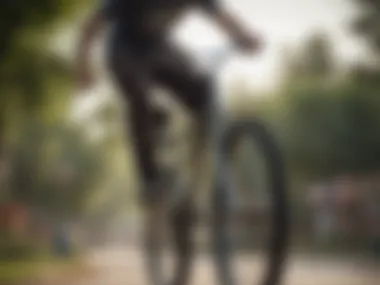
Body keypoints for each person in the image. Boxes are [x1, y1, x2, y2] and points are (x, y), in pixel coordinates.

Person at [76, 0, 261, 204]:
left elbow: (220, 16)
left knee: (204, 91)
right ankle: (150, 177)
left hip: (160, 46)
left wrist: (243, 36)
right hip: (125, 49)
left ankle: (200, 158)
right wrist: (82, 64)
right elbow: (92, 24)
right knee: (139, 97)